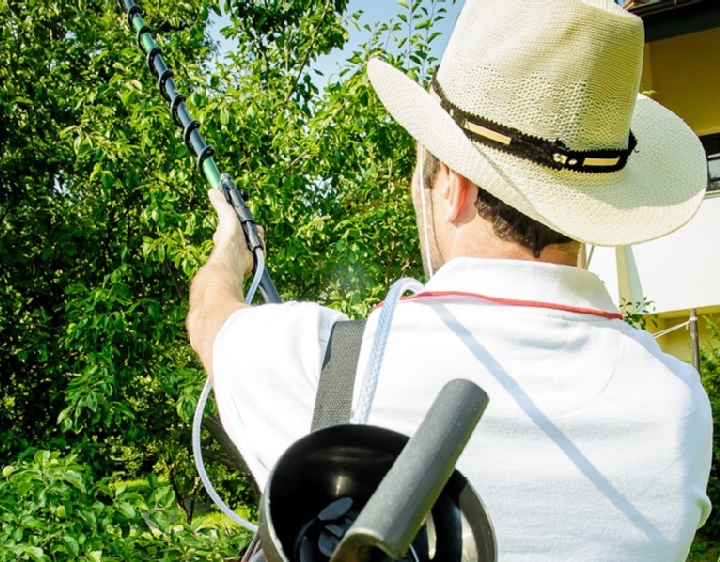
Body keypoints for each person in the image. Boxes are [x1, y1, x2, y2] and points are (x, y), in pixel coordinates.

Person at [186, 0, 713, 559]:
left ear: (455, 184)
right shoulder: (677, 406)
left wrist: (230, 251)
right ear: (597, 205)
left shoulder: (322, 365)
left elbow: (209, 317)